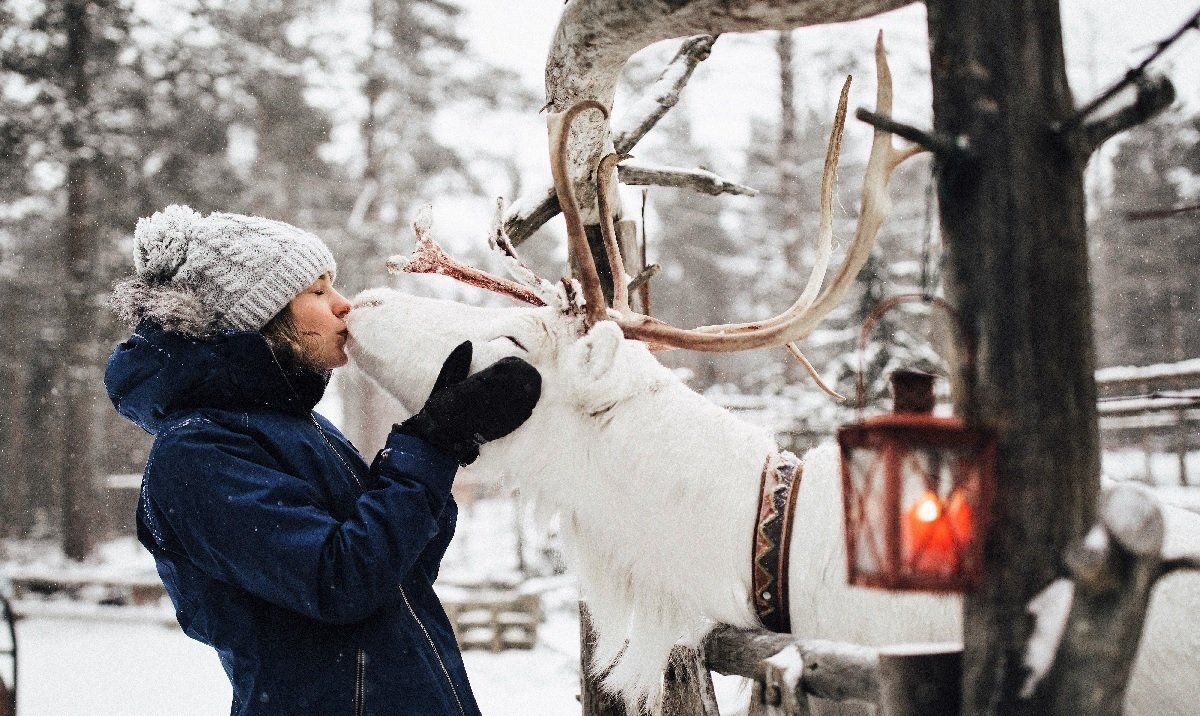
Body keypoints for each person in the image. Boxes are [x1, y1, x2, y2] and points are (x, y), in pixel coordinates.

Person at [104, 204, 541, 716]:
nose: (343, 305)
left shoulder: (300, 430)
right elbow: (341, 581)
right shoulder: (198, 454)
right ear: (256, 318)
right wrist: (431, 443)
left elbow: (405, 569)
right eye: (317, 291)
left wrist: (447, 431)